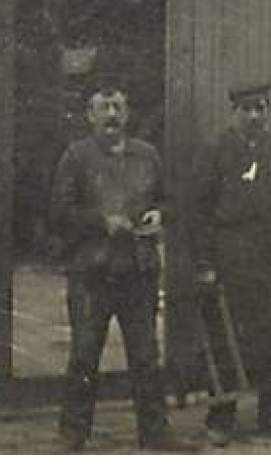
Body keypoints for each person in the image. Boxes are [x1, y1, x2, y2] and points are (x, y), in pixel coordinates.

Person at [49, 85, 187, 452]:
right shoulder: (75, 157)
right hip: (92, 274)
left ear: (127, 114)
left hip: (139, 272)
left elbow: (169, 200)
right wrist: (101, 221)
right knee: (83, 355)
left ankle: (155, 433)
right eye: (103, 108)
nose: (111, 115)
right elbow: (59, 212)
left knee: (145, 357)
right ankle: (72, 436)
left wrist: (161, 214)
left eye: (118, 107)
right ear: (89, 116)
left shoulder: (148, 156)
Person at [192, 81, 271, 447]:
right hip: (230, 255)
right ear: (234, 111)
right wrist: (205, 263)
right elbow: (199, 212)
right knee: (227, 336)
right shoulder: (216, 151)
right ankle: (222, 417)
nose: (254, 116)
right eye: (247, 109)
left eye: (260, 108)